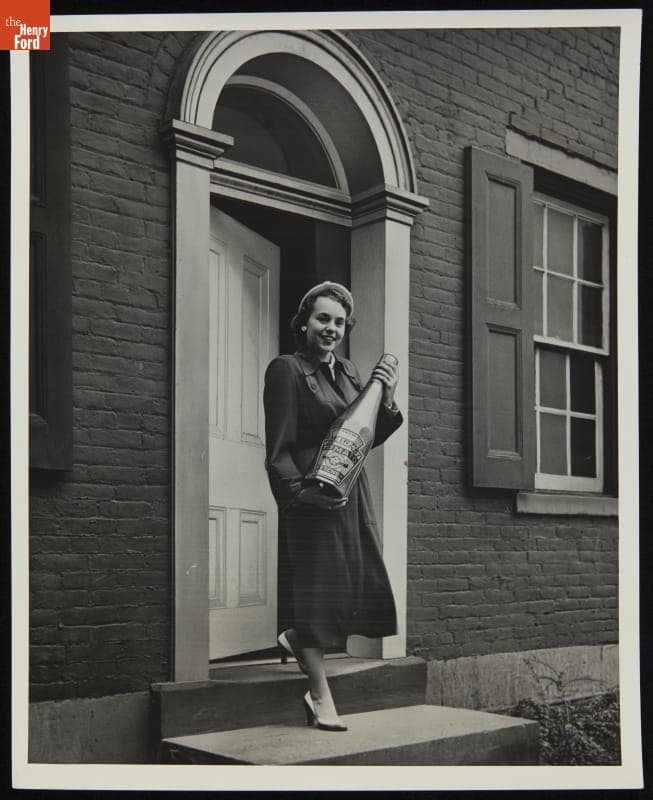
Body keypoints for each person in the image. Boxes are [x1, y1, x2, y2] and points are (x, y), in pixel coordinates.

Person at [263, 281, 403, 732]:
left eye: (339, 322)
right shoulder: (285, 370)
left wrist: (387, 395)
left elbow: (364, 439)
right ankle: (320, 695)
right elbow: (278, 448)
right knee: (316, 592)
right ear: (304, 322)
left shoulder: (348, 371)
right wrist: (298, 497)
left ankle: (294, 637)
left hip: (350, 496)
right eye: (323, 319)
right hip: (310, 496)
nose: (331, 328)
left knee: (350, 584)